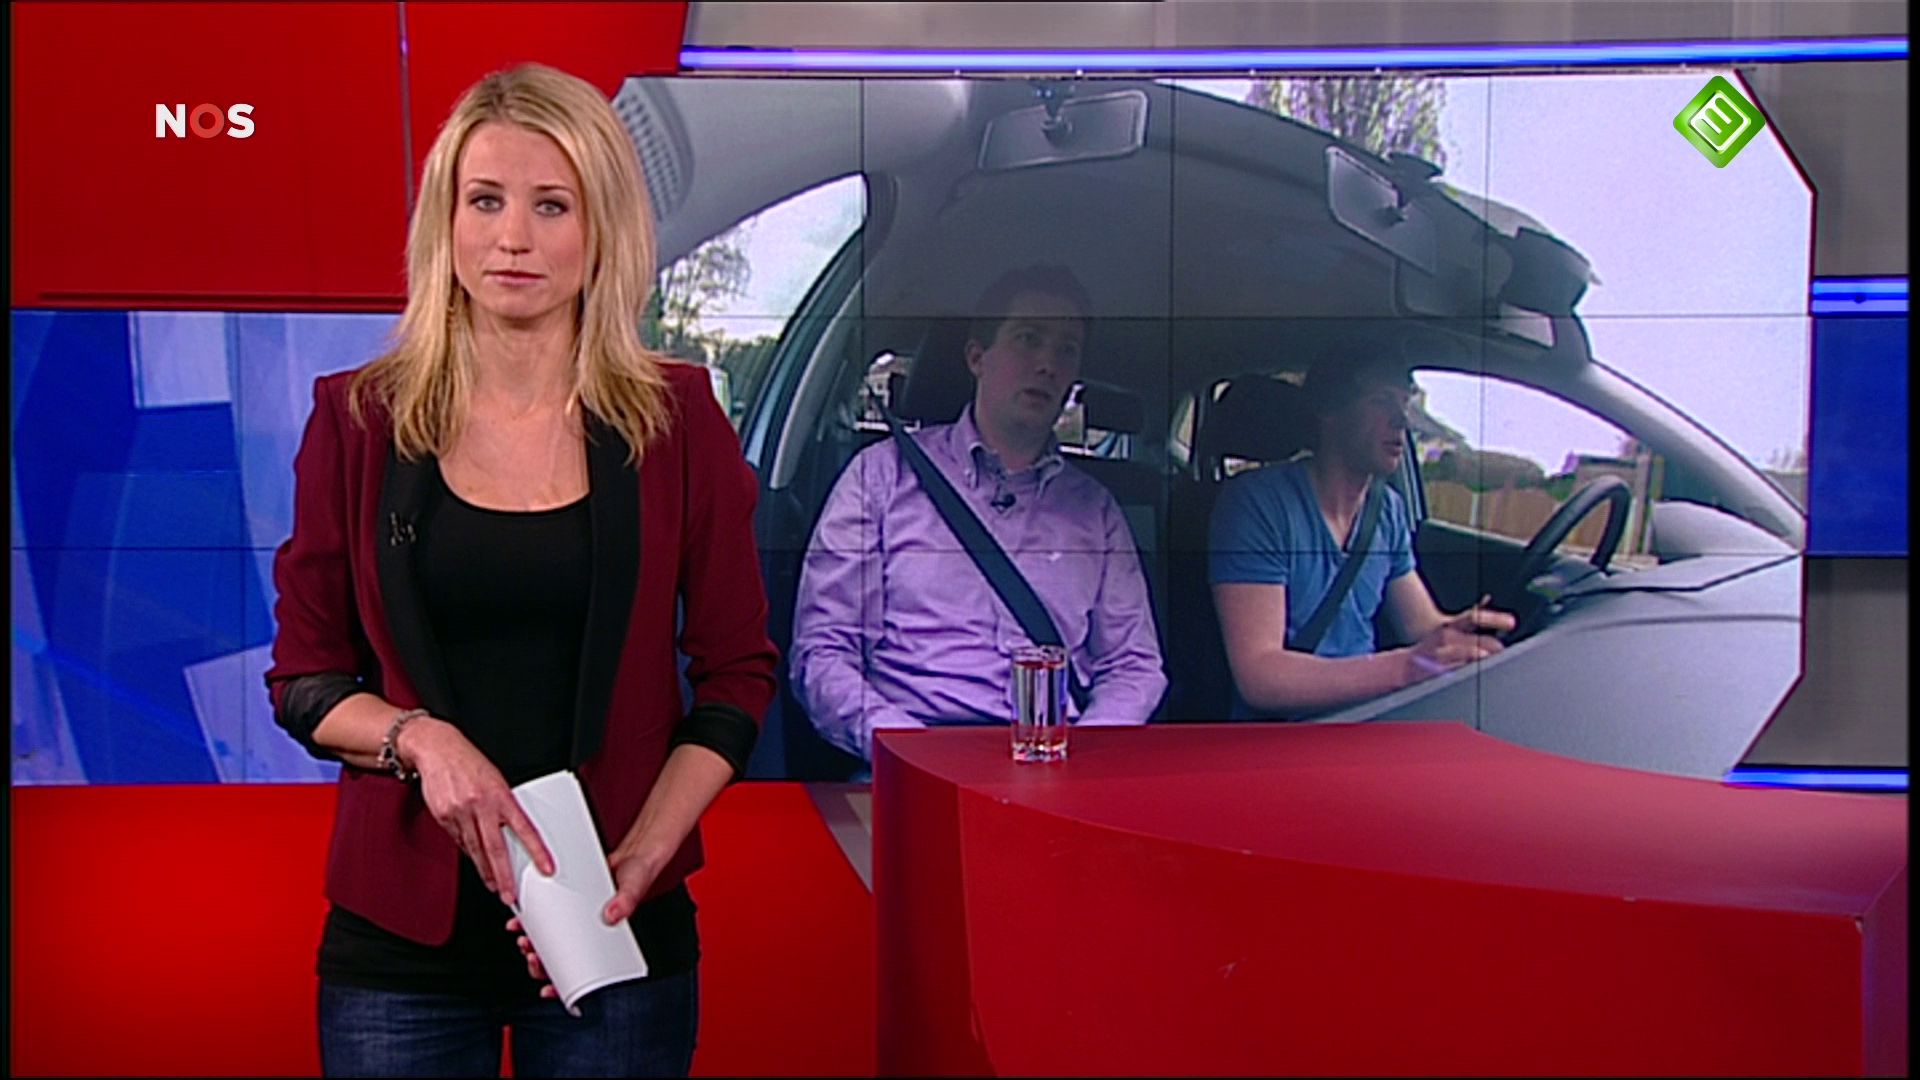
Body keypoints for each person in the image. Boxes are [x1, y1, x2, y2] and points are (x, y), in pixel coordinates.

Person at [264, 64, 777, 1078]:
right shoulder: (358, 419)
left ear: (602, 229)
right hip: (402, 949)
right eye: (486, 201)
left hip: (615, 927)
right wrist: (421, 741)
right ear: (445, 223)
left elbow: (736, 677)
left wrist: (644, 858)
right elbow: (304, 680)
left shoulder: (678, 421)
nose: (513, 238)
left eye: (551, 206)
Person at [790, 265, 1167, 765]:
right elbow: (822, 652)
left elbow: (1134, 664)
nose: (1047, 364)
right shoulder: (880, 478)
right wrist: (908, 749)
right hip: (908, 755)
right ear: (976, 357)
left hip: (1055, 766)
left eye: (1067, 350)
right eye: (1028, 339)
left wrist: (1081, 757)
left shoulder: (1096, 511)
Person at [1209, 353, 1515, 719]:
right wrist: (1406, 667)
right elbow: (1261, 675)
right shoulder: (1258, 503)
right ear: (1328, 411)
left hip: (1370, 718)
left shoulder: (1387, 510)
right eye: (1382, 401)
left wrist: (1464, 633)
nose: (1402, 420)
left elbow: (1420, 625)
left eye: (1405, 403)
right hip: (1284, 734)